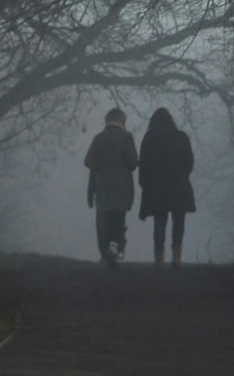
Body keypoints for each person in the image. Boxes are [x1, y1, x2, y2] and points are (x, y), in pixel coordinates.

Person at [138, 106, 196, 265]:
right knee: (179, 222)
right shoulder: (182, 137)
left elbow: (143, 163)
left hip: (156, 187)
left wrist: (144, 184)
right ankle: (177, 258)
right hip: (179, 185)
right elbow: (189, 162)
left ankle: (159, 260)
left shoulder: (149, 138)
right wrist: (182, 175)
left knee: (159, 221)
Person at [84, 106, 138, 265]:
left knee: (103, 220)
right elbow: (133, 163)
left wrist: (90, 191)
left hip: (102, 186)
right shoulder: (126, 137)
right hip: (122, 187)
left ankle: (105, 252)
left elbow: (89, 162)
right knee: (118, 218)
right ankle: (115, 247)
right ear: (122, 121)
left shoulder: (98, 138)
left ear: (107, 120)